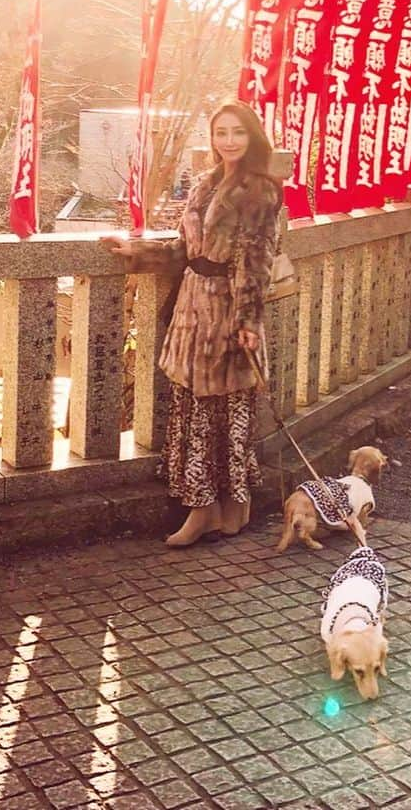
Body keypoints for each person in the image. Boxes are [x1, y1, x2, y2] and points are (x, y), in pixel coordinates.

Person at [101, 102, 282, 546]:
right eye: (221, 132)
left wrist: (247, 322)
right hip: (191, 308)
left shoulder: (261, 190)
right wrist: (136, 252)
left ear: (252, 136)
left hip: (227, 311)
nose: (228, 140)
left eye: (238, 132)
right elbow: (186, 249)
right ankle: (218, 509)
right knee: (197, 407)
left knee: (223, 409)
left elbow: (257, 263)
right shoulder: (206, 183)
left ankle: (216, 509)